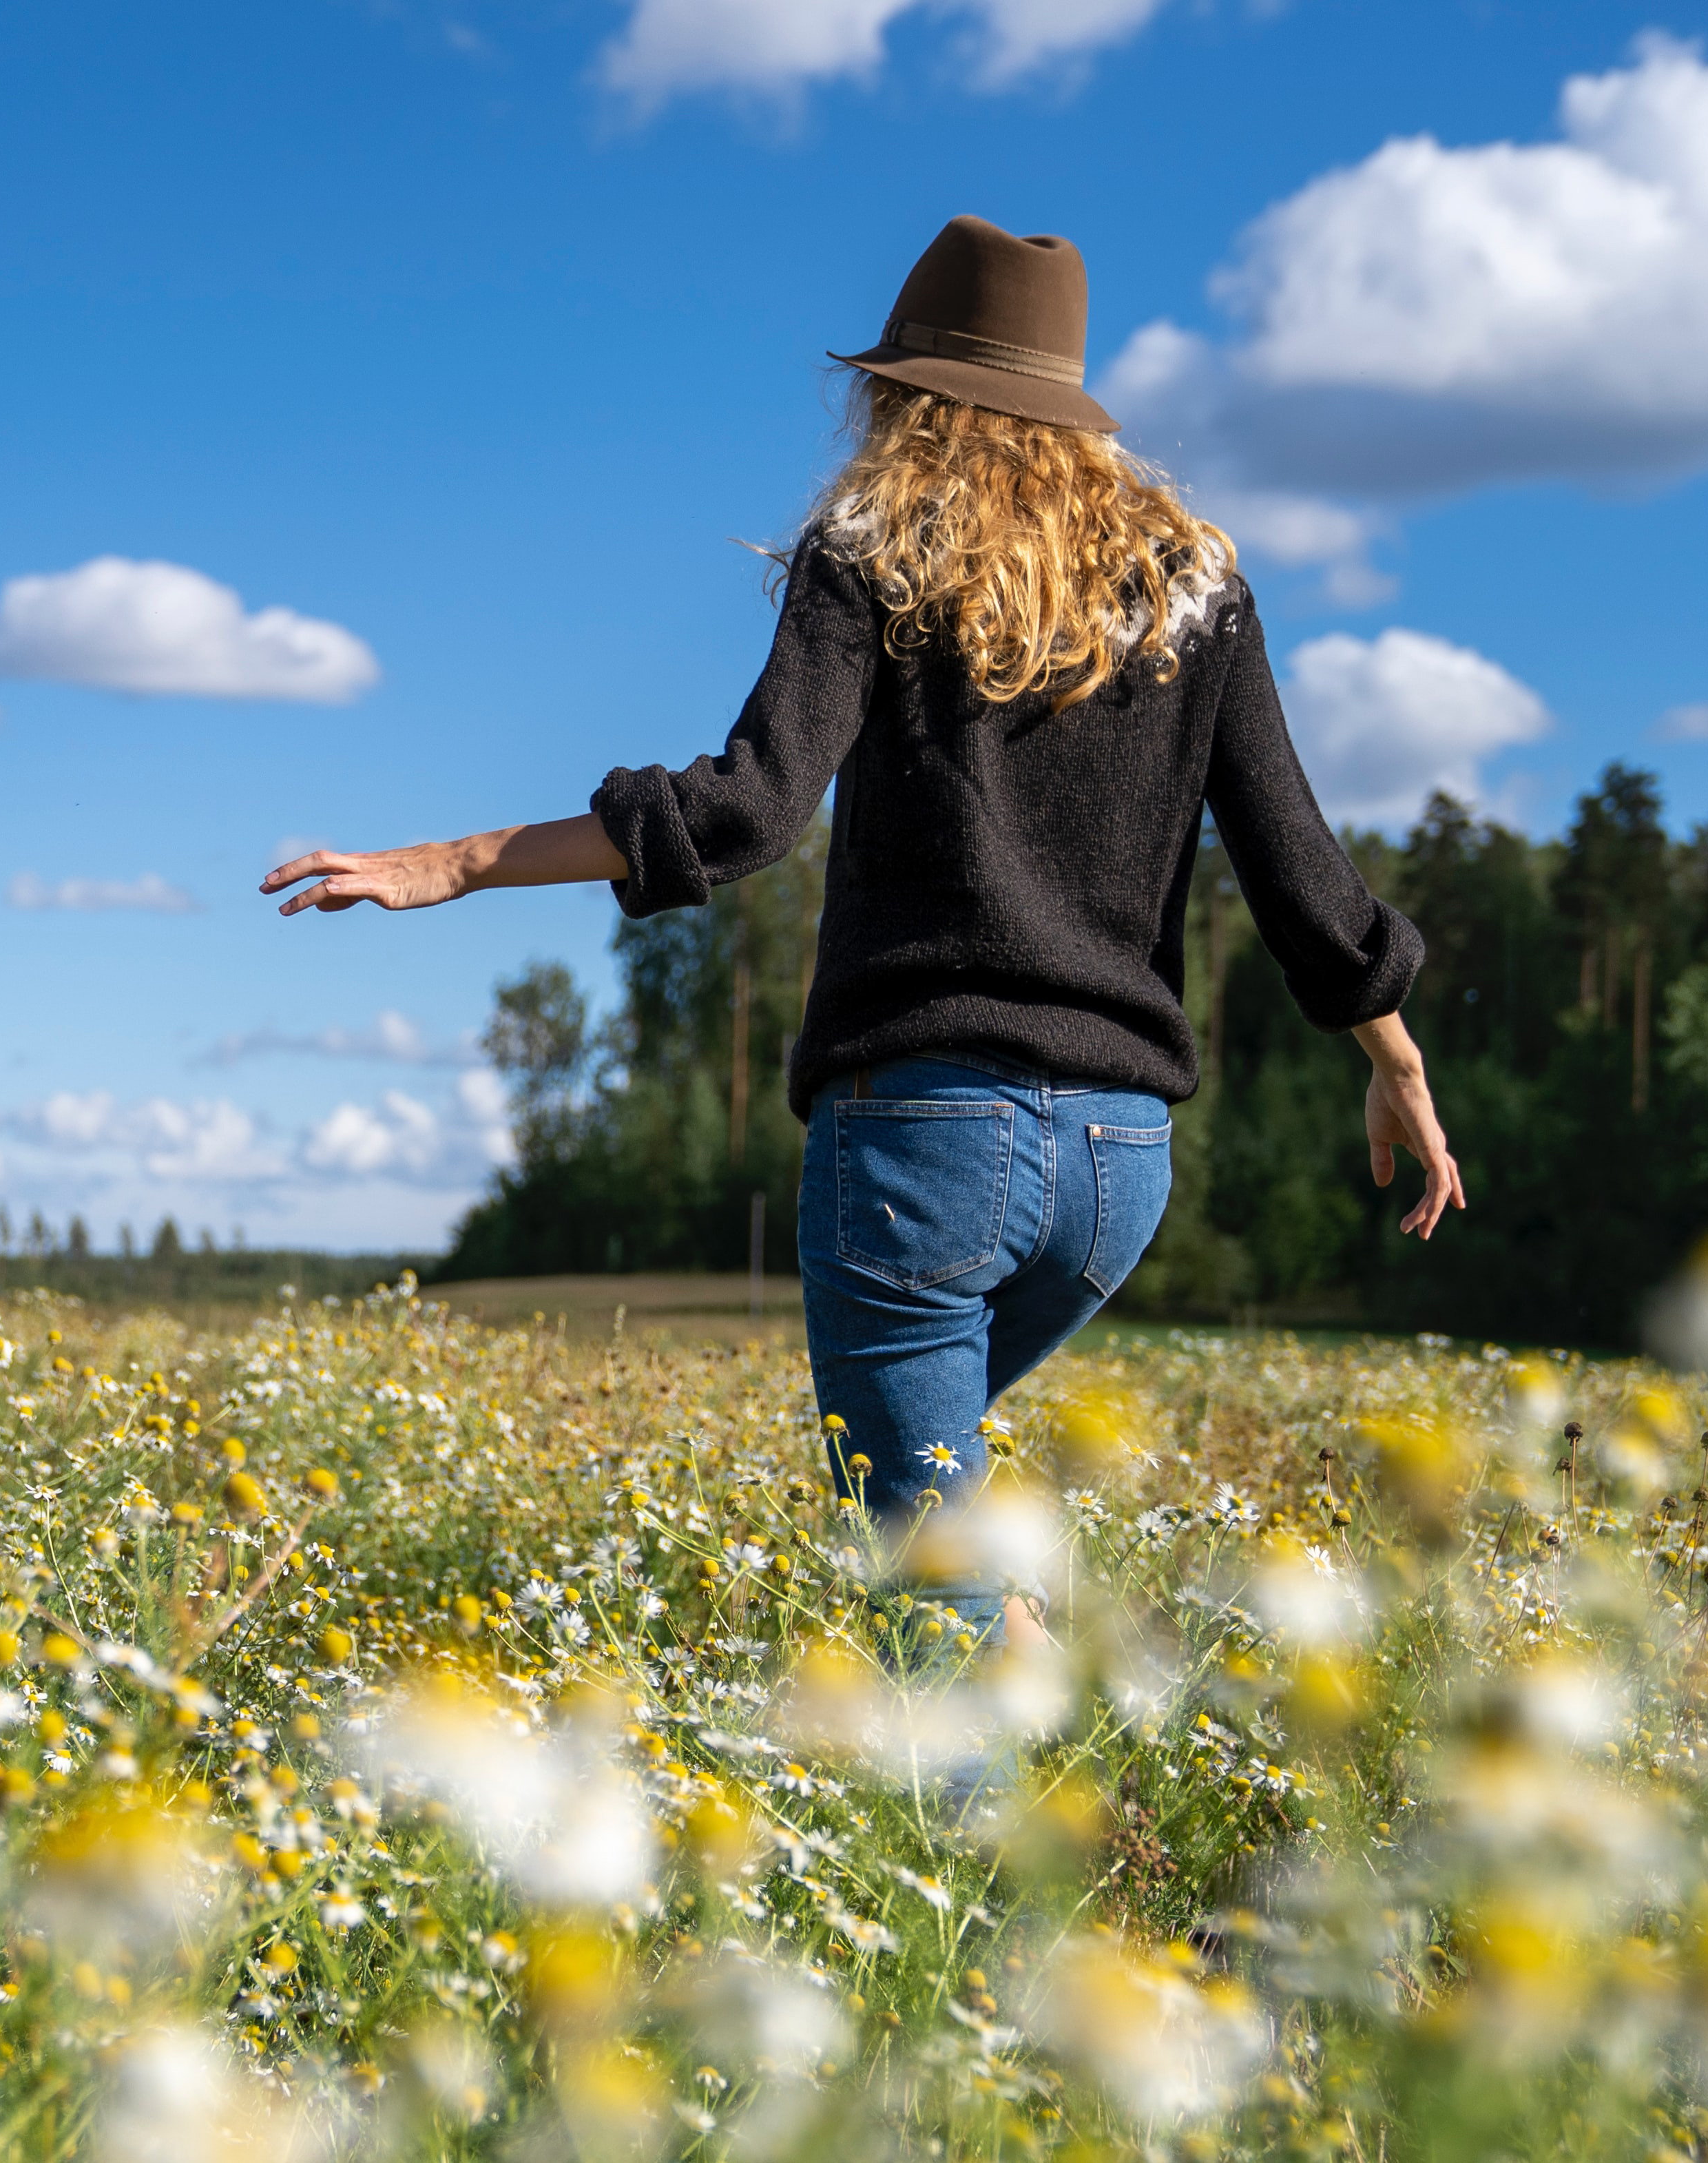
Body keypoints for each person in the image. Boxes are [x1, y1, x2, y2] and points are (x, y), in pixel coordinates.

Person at [261, 215, 1466, 1650]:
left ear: (910, 389)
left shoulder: (878, 545)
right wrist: (1393, 1054)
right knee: (940, 1526)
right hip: (1117, 1174)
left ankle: (1030, 1820)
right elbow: (1297, 869)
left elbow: (751, 809)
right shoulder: (1192, 584)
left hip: (923, 1146)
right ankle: (1049, 1697)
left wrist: (451, 863)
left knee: (928, 1577)